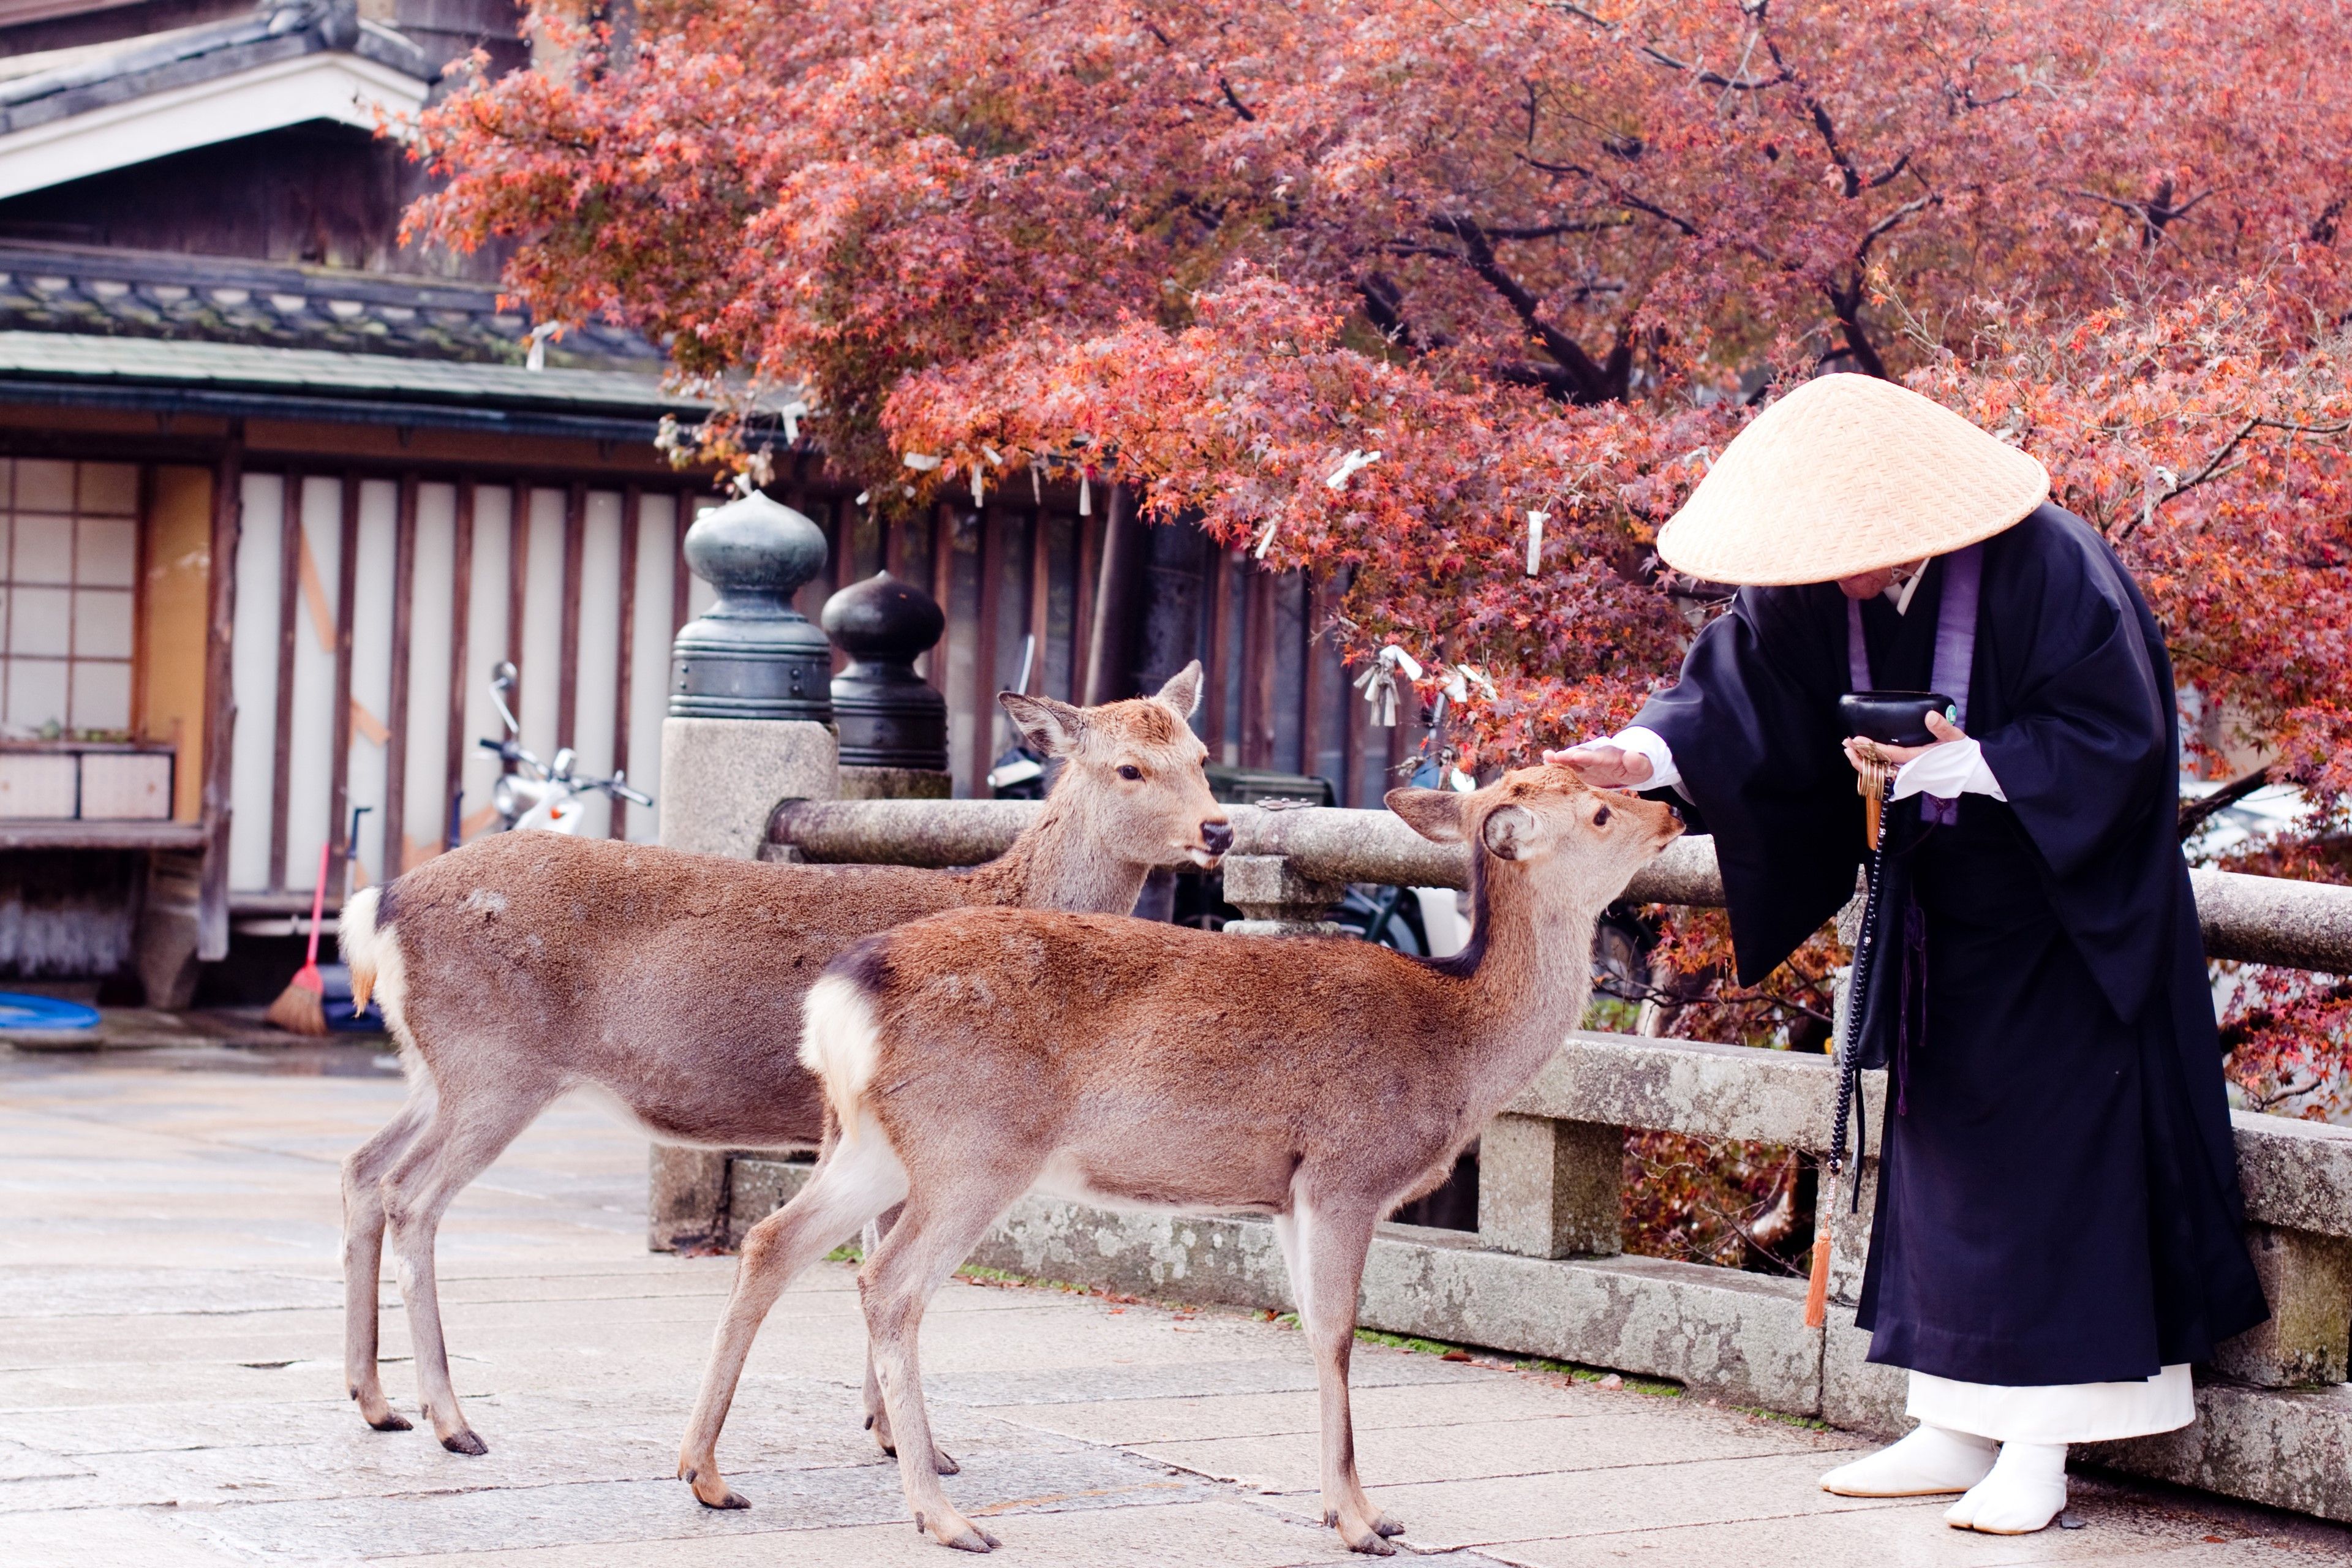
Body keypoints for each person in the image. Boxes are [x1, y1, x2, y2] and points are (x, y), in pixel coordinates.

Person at [1547, 374, 2267, 1537]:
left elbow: (2114, 740)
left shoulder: (2052, 565)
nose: (1843, 579)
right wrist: (1642, 753)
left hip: (2064, 919)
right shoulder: (1810, 588)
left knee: (2055, 1175)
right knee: (1943, 1175)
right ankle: (1949, 1416)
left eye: (1858, 554)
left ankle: (2042, 1443)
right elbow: (1735, 697)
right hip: (1935, 910)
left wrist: (1972, 764)